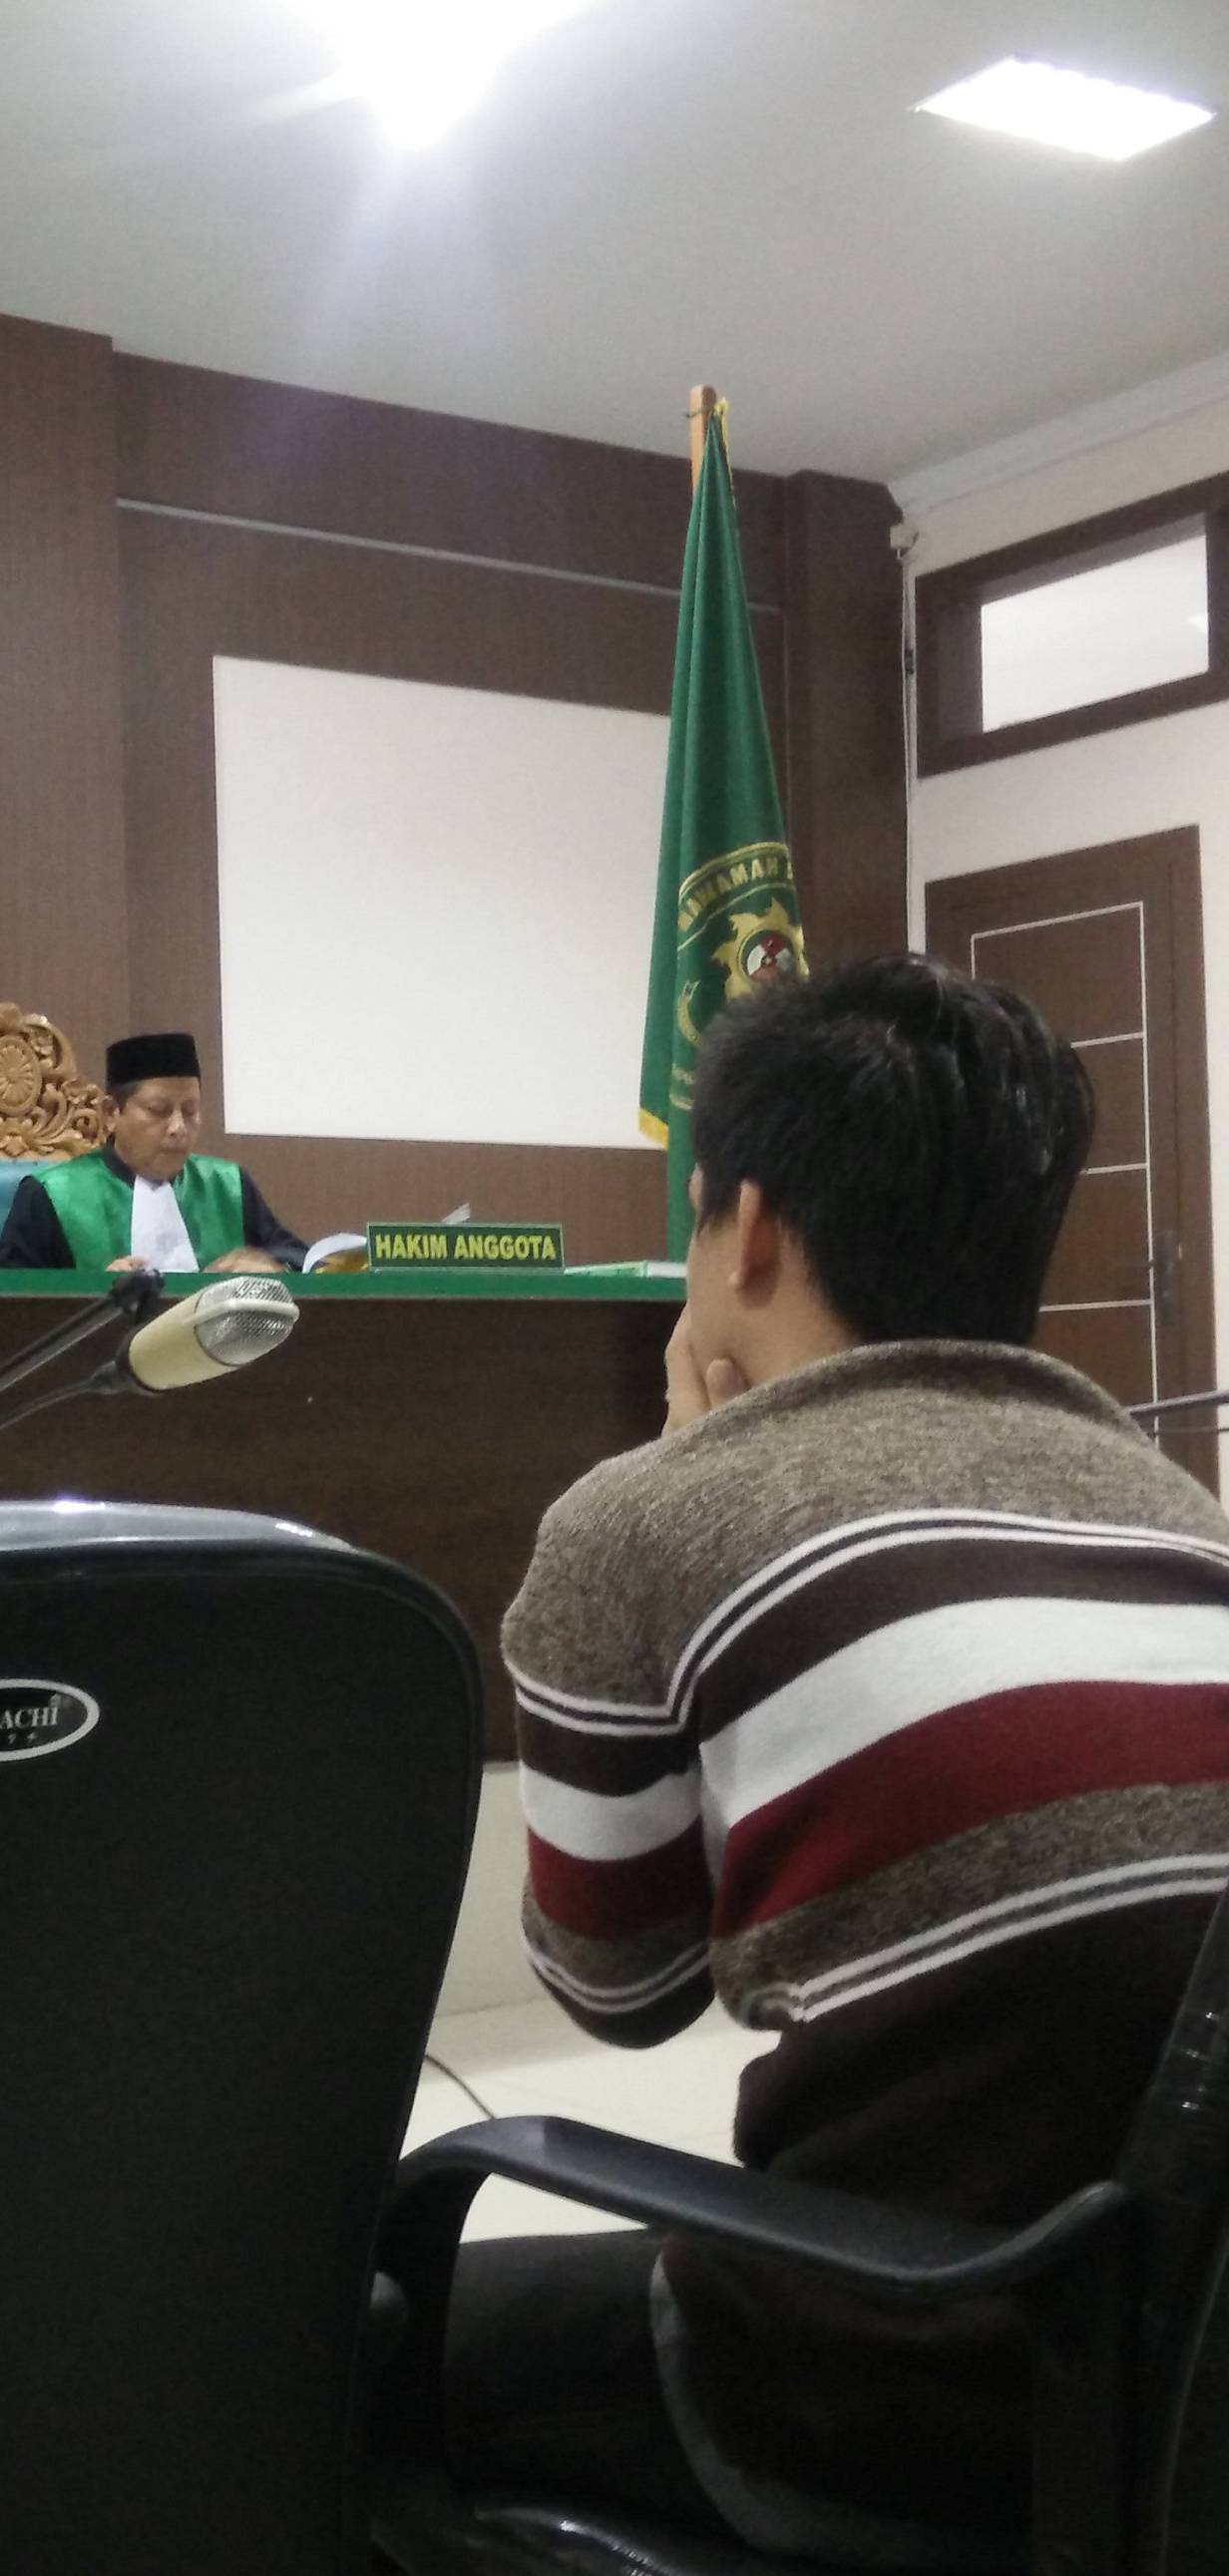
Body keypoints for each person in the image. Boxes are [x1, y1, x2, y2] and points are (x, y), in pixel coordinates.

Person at [449, 956, 1229, 2568]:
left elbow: (622, 1988)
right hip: (1188, 2413)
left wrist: (677, 1489)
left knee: (360, 2319)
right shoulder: (1183, 1514)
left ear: (746, 1227)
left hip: (882, 2401)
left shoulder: (641, 1523)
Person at [0, 1031, 307, 1273]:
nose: (178, 1127)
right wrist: (88, 1294)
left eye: (190, 1110)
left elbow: (307, 1262)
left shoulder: (228, 1185)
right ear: (111, 1113)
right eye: (159, 1110)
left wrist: (269, 1265)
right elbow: (3, 1298)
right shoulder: (53, 1194)